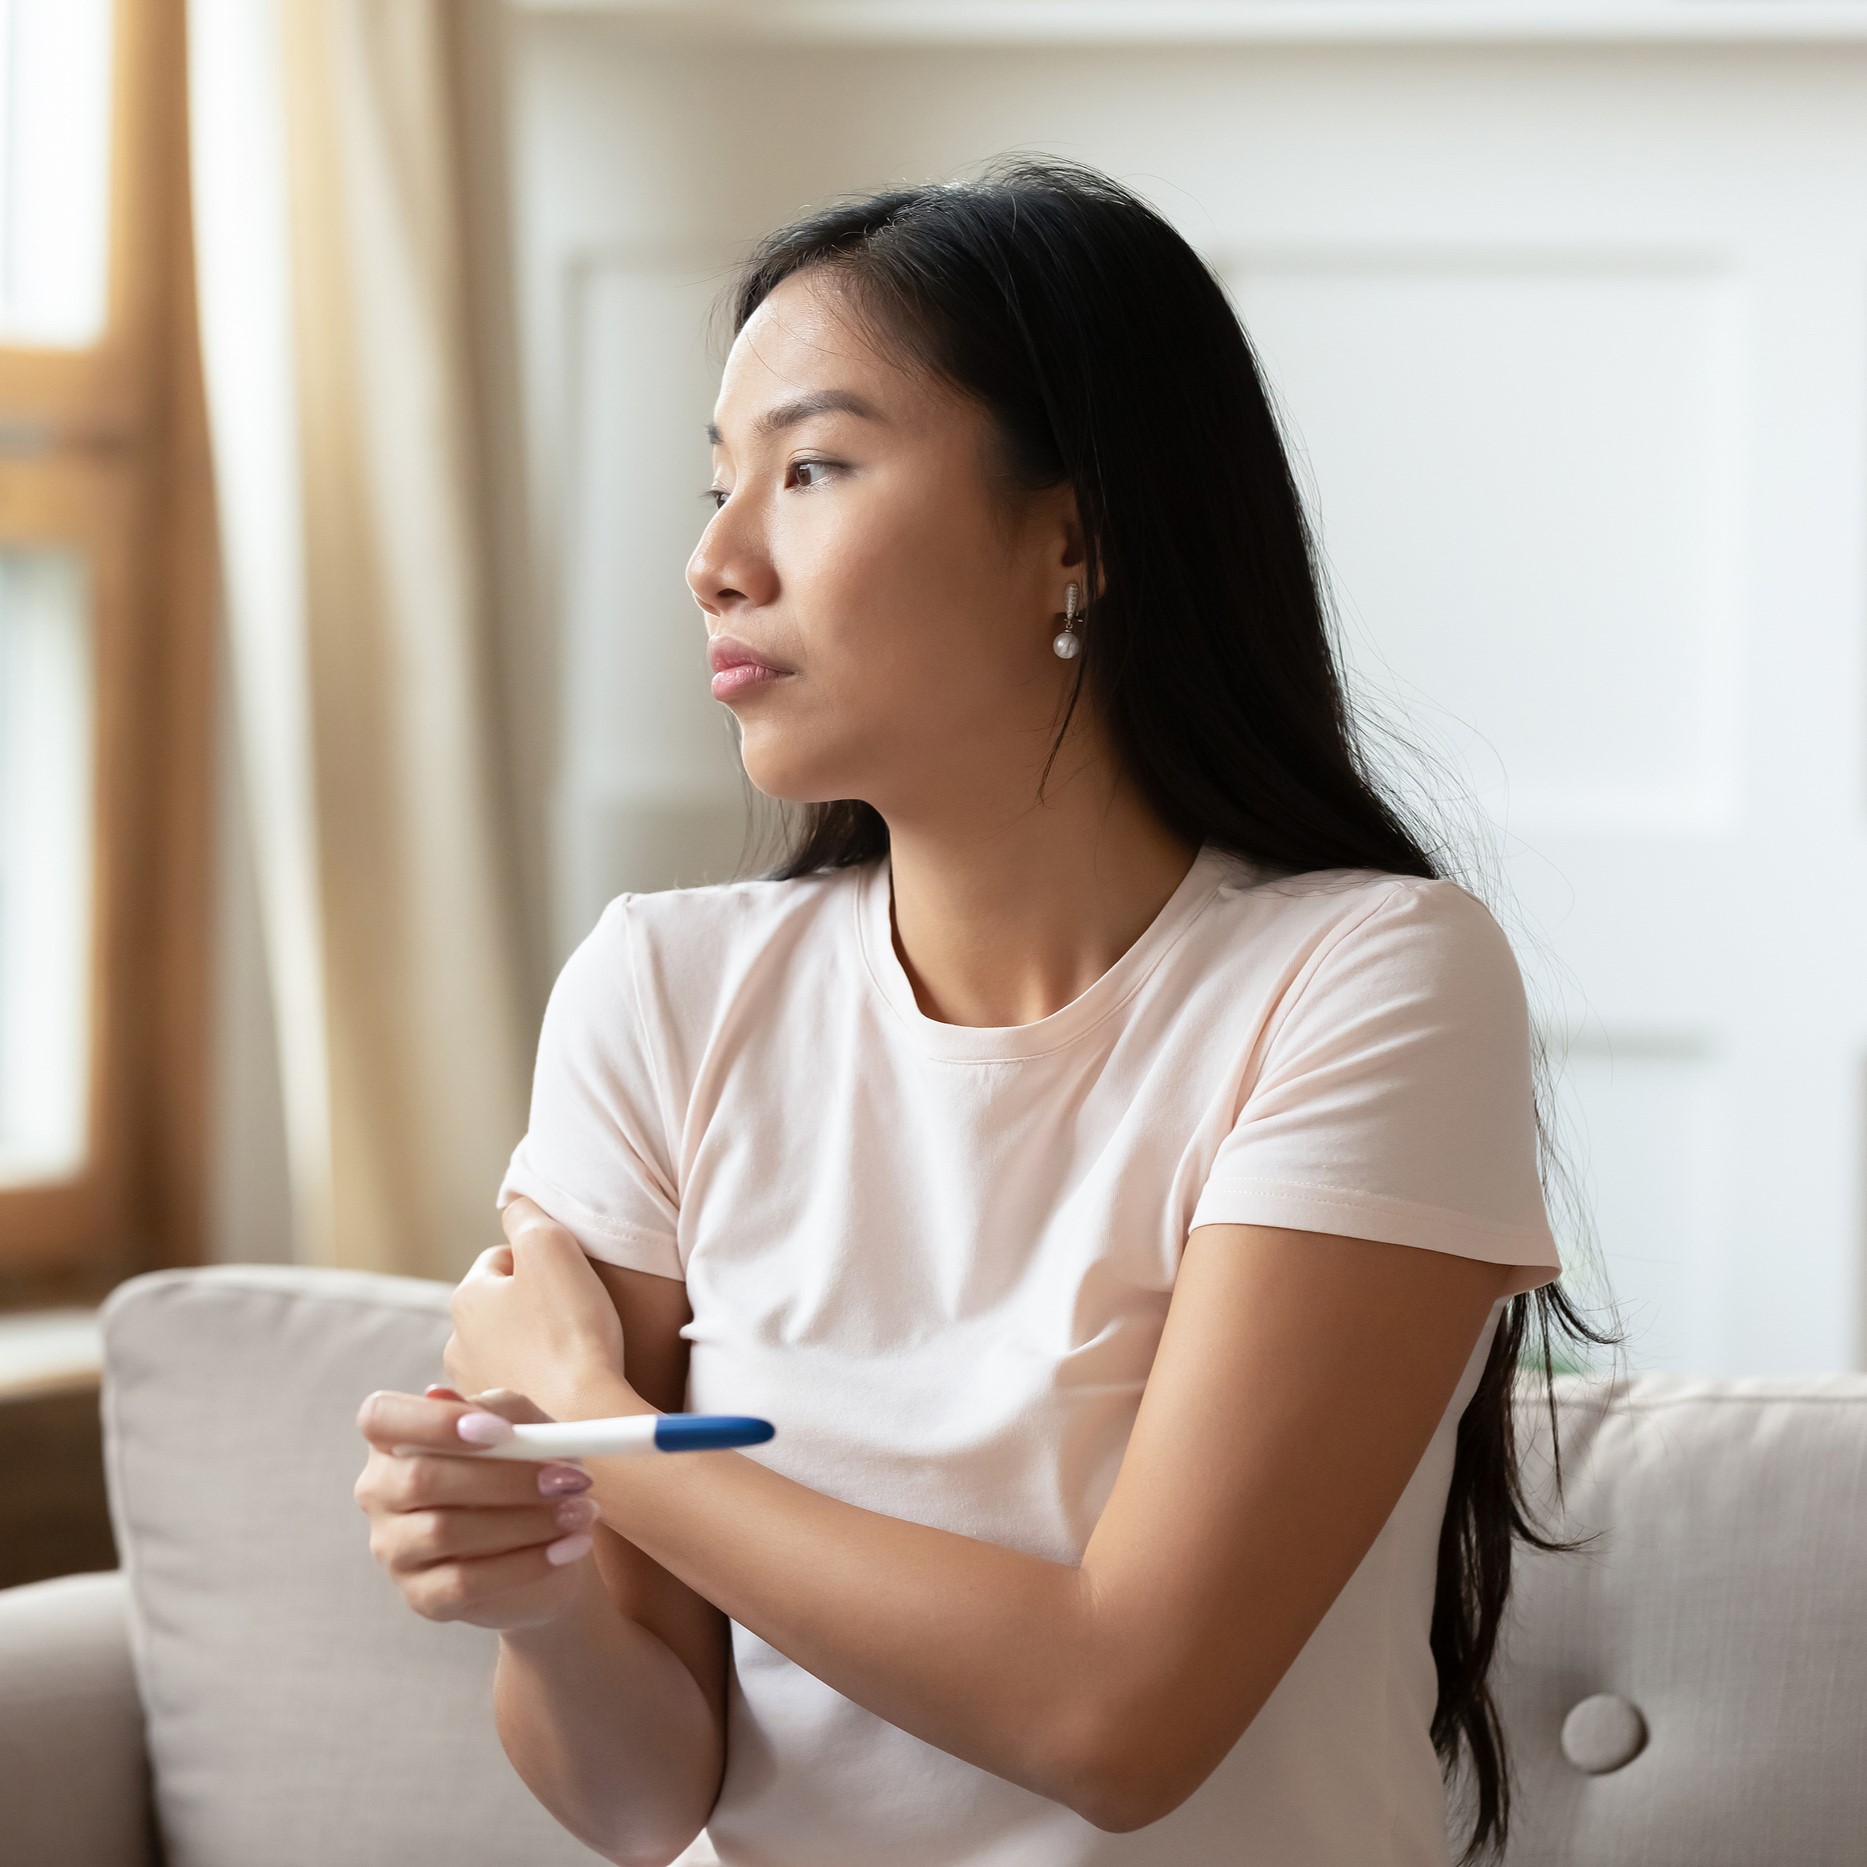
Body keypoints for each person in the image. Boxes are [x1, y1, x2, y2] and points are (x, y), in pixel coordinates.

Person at [354, 157, 1609, 1867]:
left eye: (810, 469)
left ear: (1075, 537)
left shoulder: (1370, 979)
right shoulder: (663, 992)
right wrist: (542, 1606)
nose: (717, 561)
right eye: (718, 486)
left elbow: (1121, 1716)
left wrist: (604, 1431)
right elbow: (646, 1801)